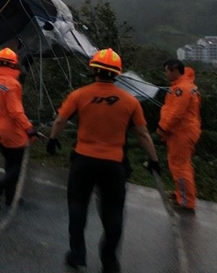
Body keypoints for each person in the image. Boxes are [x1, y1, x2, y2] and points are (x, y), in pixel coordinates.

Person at [46, 48, 160, 273]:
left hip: (83, 161)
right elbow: (142, 134)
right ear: (116, 73)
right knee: (113, 212)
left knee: (77, 205)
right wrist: (154, 159)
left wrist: (52, 140)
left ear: (94, 70)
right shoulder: (130, 101)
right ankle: (109, 261)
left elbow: (59, 120)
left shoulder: (79, 95)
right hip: (113, 165)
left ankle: (77, 254)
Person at [0, 47, 37, 209]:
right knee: (16, 167)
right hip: (13, 132)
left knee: (10, 164)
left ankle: (11, 198)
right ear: (13, 65)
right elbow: (15, 111)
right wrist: (29, 129)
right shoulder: (12, 84)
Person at [157, 59, 201, 212]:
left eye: (167, 71)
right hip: (182, 131)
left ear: (174, 70)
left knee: (180, 166)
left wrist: (162, 127)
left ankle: (185, 201)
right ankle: (181, 194)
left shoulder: (181, 90)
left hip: (182, 132)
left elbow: (176, 113)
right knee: (179, 164)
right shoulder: (184, 86)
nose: (166, 74)